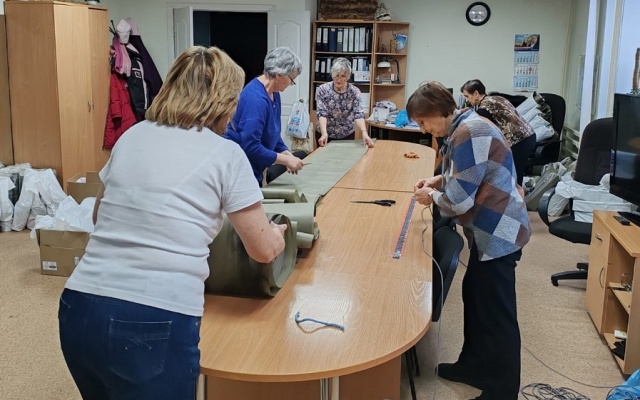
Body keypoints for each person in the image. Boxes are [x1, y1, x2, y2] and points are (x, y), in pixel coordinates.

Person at [58, 46, 287, 400]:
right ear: (226, 101)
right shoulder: (226, 154)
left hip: (78, 309)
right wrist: (277, 234)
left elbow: (99, 215)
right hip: (151, 320)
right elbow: (262, 250)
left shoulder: (132, 136)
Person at [408, 81, 531, 400]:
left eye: (423, 122)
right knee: (475, 299)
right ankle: (473, 365)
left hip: (499, 232)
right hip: (487, 231)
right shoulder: (462, 126)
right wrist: (438, 180)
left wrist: (432, 196)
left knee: (497, 314)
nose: (423, 129)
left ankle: (502, 391)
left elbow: (459, 201)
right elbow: (466, 173)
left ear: (438, 112)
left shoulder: (470, 132)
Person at [223, 46, 306, 187]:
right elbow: (250, 146)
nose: (292, 84)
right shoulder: (255, 99)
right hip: (238, 171)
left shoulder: (274, 93)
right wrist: (285, 160)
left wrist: (285, 152)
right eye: (292, 79)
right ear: (279, 75)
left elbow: (272, 132)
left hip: (254, 169)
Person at [461, 79, 537, 185]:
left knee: (513, 176)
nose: (466, 100)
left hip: (518, 141)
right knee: (516, 173)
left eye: (467, 96)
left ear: (476, 93)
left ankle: (517, 195)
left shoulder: (485, 107)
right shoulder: (496, 98)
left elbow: (476, 127)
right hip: (529, 136)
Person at [315, 57, 375, 148]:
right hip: (325, 135)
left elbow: (358, 113)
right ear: (332, 74)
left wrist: (364, 132)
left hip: (347, 135)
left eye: (343, 76)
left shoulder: (354, 91)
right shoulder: (323, 89)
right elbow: (322, 113)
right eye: (336, 75)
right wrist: (324, 133)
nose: (339, 79)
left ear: (348, 77)